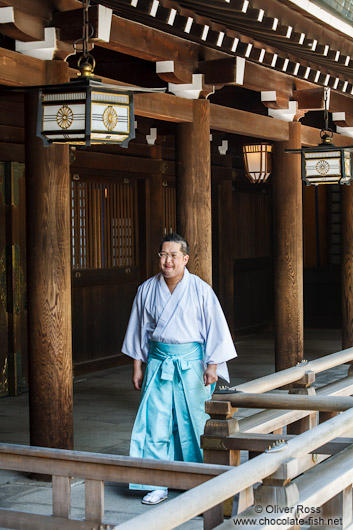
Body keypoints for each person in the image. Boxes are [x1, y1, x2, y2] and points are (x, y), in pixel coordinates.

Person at [121, 233, 237, 505]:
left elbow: (214, 328)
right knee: (156, 423)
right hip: (158, 363)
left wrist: (212, 366)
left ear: (185, 259)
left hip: (192, 366)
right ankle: (157, 482)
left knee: (193, 422)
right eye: (163, 255)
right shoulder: (147, 289)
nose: (167, 260)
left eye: (173, 255)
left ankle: (198, 480)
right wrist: (137, 366)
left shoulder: (200, 289)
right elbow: (139, 331)